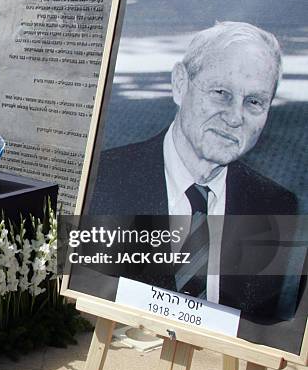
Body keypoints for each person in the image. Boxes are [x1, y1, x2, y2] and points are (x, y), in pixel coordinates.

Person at [89, 21, 300, 318]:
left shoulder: (275, 205)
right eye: (221, 92)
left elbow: (255, 326)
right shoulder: (103, 179)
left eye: (254, 101)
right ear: (180, 84)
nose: (235, 117)